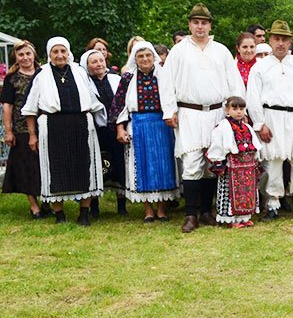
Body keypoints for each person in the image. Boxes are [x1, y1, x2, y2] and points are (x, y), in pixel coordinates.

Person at [163, 4, 245, 232]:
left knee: (214, 162)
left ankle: (207, 211)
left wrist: (237, 110)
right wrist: (169, 110)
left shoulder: (221, 51)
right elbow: (167, 82)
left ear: (210, 25)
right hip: (189, 112)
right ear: (189, 24)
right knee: (192, 163)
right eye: (196, 22)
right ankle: (190, 214)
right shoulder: (179, 51)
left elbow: (234, 82)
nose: (200, 27)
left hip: (218, 112)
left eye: (204, 22)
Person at [22, 37, 105, 225]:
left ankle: (84, 213)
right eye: (55, 51)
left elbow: (92, 99)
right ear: (49, 54)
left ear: (68, 52)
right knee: (55, 169)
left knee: (84, 166)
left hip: (80, 123)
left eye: (63, 51)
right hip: (52, 125)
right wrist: (32, 135)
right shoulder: (41, 74)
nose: (60, 55)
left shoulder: (79, 71)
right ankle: (59, 215)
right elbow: (30, 108)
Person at [246, 20, 293, 221]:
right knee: (273, 162)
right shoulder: (260, 67)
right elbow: (253, 97)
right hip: (271, 116)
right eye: (277, 39)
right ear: (270, 40)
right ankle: (273, 205)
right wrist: (259, 123)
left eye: (285, 39)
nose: (280, 43)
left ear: (290, 42)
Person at [111, 41, 179, 221]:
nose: (145, 59)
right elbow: (118, 105)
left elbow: (173, 100)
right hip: (138, 124)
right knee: (141, 165)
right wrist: (120, 128)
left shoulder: (164, 75)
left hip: (161, 124)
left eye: (148, 55)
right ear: (135, 59)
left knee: (164, 165)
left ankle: (162, 209)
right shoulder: (127, 78)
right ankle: (148, 209)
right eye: (140, 56)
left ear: (154, 57)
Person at [81, 48, 127, 218]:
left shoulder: (116, 79)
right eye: (94, 62)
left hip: (117, 128)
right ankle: (94, 207)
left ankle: (122, 205)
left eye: (101, 60)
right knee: (96, 165)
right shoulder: (84, 83)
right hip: (96, 130)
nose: (99, 64)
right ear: (87, 65)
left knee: (120, 164)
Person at [1, 39, 44, 218]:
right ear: (16, 57)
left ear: (33, 55)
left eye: (28, 53)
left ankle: (49, 200)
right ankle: (34, 205)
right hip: (21, 128)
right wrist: (8, 130)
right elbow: (7, 106)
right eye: (21, 54)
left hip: (44, 125)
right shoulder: (12, 78)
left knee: (43, 166)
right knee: (26, 167)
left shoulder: (43, 73)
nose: (25, 57)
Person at [207, 96, 262, 228]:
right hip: (231, 167)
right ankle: (231, 220)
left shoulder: (247, 127)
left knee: (247, 191)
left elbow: (255, 145)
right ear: (227, 110)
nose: (238, 112)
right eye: (235, 108)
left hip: (247, 167)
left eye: (241, 109)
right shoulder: (222, 127)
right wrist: (218, 163)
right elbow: (217, 146)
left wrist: (256, 161)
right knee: (229, 192)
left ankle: (244, 217)